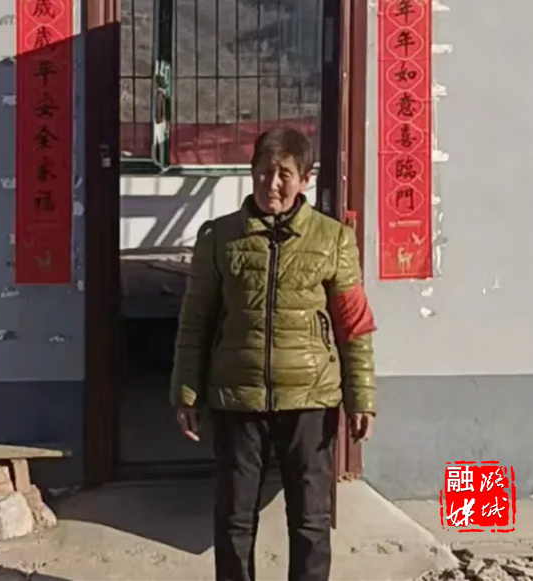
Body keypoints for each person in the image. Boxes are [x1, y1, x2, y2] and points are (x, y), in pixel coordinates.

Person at [170, 127, 377, 581]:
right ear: (251, 174)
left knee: (310, 520)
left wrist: (361, 397)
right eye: (263, 172)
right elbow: (195, 322)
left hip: (310, 400)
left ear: (304, 179)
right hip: (236, 398)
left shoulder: (333, 239)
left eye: (284, 174)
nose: (273, 184)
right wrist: (186, 392)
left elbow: (354, 326)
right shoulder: (219, 237)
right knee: (234, 517)